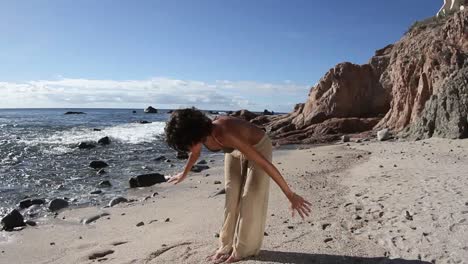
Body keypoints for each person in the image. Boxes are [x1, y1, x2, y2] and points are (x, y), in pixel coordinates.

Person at [164, 108, 311, 263]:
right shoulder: (202, 136)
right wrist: (184, 173)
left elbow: (265, 164)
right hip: (233, 150)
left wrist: (290, 194)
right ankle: (225, 246)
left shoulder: (224, 133)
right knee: (231, 197)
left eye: (187, 144)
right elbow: (194, 153)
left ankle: (243, 250)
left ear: (195, 135)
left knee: (250, 198)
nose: (187, 149)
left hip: (258, 146)